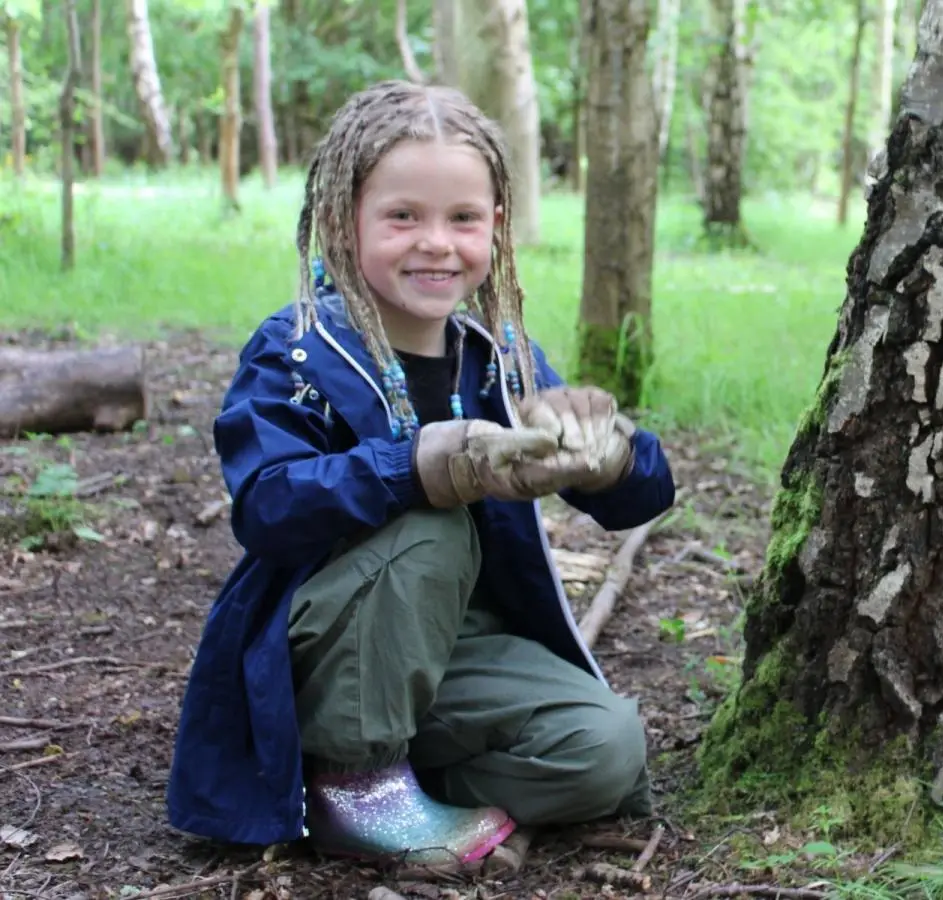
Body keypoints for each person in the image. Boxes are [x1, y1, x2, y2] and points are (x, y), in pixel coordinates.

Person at [165, 80, 676, 868]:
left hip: (457, 649)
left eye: (463, 218)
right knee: (430, 528)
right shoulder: (298, 349)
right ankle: (356, 783)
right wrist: (417, 467)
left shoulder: (497, 355)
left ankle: (409, 781)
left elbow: (643, 498)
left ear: (496, 227)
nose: (436, 242)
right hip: (330, 639)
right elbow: (267, 506)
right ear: (344, 220)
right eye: (403, 216)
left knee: (606, 748)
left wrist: (608, 454)